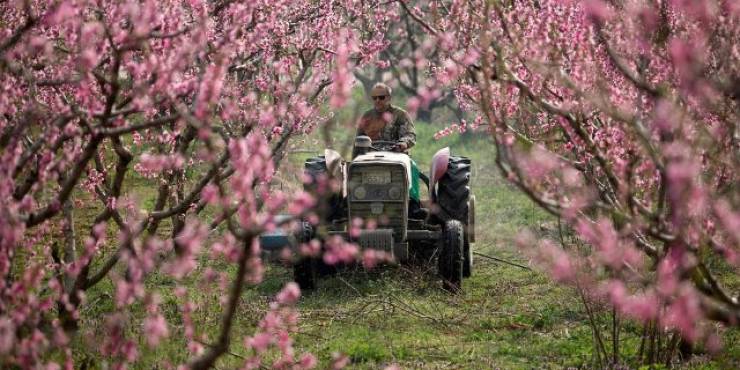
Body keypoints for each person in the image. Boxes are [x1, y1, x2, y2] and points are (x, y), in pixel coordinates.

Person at [356, 83, 416, 152]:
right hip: (371, 156)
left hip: (396, 155)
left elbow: (410, 135)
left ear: (389, 98)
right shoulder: (367, 116)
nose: (377, 100)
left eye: (381, 97)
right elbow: (358, 140)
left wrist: (404, 143)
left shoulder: (400, 115)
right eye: (374, 98)